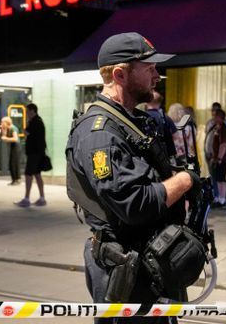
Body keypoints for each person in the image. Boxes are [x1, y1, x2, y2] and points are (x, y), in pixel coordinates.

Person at [66, 32, 203, 323]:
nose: (157, 74)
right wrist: (186, 181)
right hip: (128, 273)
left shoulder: (130, 120)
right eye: (149, 67)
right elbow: (135, 204)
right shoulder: (100, 133)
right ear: (120, 74)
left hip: (152, 263)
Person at [14, 103, 47, 207]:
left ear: (32, 111)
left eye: (27, 111)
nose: (26, 114)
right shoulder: (39, 121)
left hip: (34, 153)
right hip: (38, 153)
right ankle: (42, 198)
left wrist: (27, 127)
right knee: (37, 175)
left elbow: (26, 132)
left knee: (28, 175)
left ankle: (26, 199)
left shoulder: (34, 122)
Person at [207, 109, 226, 208]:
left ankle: (222, 199)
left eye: (216, 116)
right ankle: (219, 198)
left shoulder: (223, 128)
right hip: (216, 158)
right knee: (217, 179)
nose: (214, 118)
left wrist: (219, 158)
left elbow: (223, 145)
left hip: (222, 159)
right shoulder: (216, 127)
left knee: (221, 179)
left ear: (220, 117)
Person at [146, 90, 177, 158]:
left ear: (147, 101)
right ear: (160, 102)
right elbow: (175, 136)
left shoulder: (142, 117)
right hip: (164, 156)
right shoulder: (166, 118)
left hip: (148, 155)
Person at [0, 116, 21, 185]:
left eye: (3, 122)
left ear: (7, 122)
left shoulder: (13, 128)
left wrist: (6, 139)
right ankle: (13, 179)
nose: (2, 123)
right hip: (12, 146)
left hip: (16, 146)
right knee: (11, 163)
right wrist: (3, 130)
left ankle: (17, 180)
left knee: (15, 163)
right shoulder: (8, 128)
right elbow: (4, 136)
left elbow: (15, 139)